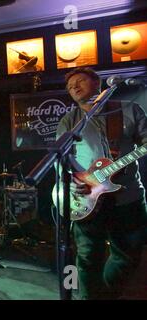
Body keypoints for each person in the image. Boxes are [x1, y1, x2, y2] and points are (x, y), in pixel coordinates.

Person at [56, 67, 147, 299]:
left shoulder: (128, 109)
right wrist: (70, 178)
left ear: (98, 83)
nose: (73, 87)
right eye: (69, 86)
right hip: (86, 197)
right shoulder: (70, 121)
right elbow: (61, 158)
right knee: (87, 258)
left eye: (79, 81)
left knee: (128, 256)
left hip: (127, 198)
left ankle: (104, 294)